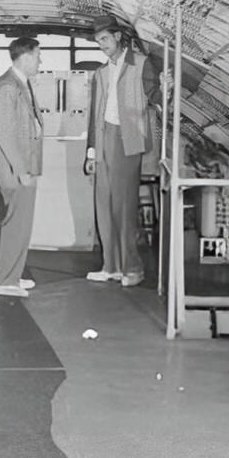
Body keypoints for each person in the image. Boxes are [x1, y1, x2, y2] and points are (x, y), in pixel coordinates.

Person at [83, 14, 161, 287]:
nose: (102, 45)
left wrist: (167, 88)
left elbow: (156, 97)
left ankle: (133, 269)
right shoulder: (101, 73)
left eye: (105, 39)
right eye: (98, 41)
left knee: (124, 207)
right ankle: (111, 267)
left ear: (117, 36)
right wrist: (91, 152)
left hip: (128, 140)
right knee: (104, 205)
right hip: (104, 138)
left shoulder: (141, 63)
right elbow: (94, 115)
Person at [0, 37, 43, 298]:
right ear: (26, 57)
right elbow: (5, 134)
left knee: (19, 223)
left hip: (23, 165)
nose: (40, 61)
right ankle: (6, 281)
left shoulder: (20, 83)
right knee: (15, 224)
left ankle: (11, 275)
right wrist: (22, 171)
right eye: (38, 56)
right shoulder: (8, 86)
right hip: (15, 169)